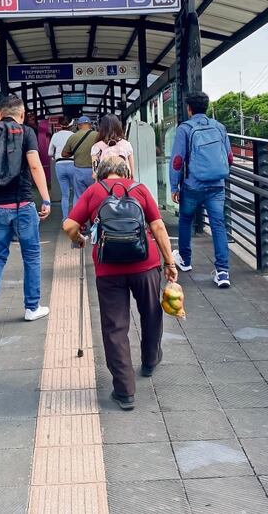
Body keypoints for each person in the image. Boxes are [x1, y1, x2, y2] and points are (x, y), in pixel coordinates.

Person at [63, 157, 178, 410]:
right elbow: (158, 227)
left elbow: (69, 225)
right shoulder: (140, 189)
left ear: (101, 173)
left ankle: (125, 391)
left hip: (108, 268)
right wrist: (169, 263)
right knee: (151, 313)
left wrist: (79, 239)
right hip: (145, 264)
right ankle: (150, 360)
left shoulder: (94, 192)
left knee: (115, 326)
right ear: (126, 172)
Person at [0, 96, 52, 331]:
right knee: (31, 255)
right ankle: (32, 307)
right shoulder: (26, 132)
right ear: (22, 113)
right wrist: (46, 199)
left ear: (1, 113)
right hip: (23, 205)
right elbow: (35, 166)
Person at [169, 91, 234, 288]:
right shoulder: (219, 127)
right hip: (216, 185)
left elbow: (177, 161)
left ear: (189, 109)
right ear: (206, 107)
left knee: (186, 220)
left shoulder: (185, 129)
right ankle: (222, 272)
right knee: (218, 225)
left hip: (193, 185)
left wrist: (174, 186)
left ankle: (185, 260)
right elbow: (229, 157)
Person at [61, 116, 98, 204]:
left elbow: (64, 154)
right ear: (90, 125)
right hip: (94, 171)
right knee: (95, 196)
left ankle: (79, 212)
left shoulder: (73, 137)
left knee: (79, 197)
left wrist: (73, 153)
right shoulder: (98, 135)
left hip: (79, 171)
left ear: (79, 125)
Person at [48, 122, 77, 221]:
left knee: (65, 195)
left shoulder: (55, 135)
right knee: (76, 192)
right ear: (71, 126)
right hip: (72, 163)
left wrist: (54, 156)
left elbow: (49, 152)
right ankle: (75, 218)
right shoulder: (73, 135)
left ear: (60, 126)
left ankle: (65, 218)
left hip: (59, 165)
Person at [91, 114, 135, 179]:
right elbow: (132, 173)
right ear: (118, 127)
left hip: (105, 183)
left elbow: (95, 173)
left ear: (102, 128)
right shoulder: (127, 145)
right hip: (123, 182)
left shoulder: (96, 147)